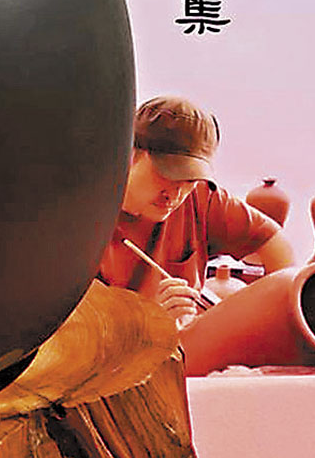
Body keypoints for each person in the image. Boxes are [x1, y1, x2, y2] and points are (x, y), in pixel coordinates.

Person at [99, 96, 295, 332]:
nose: (175, 195)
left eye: (190, 179)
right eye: (167, 174)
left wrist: (276, 322)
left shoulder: (201, 198)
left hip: (184, 346)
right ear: (130, 154)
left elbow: (275, 245)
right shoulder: (86, 215)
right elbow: (76, 334)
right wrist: (149, 321)